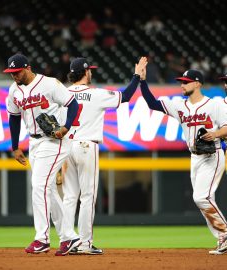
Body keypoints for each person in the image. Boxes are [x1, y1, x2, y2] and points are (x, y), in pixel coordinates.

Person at [61, 56, 148, 255]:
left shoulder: (62, 93)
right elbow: (125, 96)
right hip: (86, 145)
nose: (91, 72)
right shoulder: (95, 94)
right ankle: (84, 244)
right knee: (88, 197)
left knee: (69, 197)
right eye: (89, 70)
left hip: (66, 146)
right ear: (85, 72)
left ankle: (67, 241)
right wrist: (136, 76)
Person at [139, 66, 227, 255]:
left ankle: (225, 233)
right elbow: (152, 103)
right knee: (205, 199)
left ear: (197, 83)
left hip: (213, 155)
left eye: (186, 82)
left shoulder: (215, 105)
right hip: (195, 157)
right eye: (181, 82)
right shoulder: (179, 105)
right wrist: (142, 81)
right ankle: (222, 238)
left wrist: (215, 134)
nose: (182, 85)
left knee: (201, 197)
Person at [4, 53, 81, 256]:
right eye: (11, 73)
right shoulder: (14, 91)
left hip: (55, 139)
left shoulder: (49, 84)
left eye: (17, 71)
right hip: (33, 142)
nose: (14, 75)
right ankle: (69, 237)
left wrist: (66, 127)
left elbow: (73, 104)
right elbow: (14, 118)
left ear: (27, 68)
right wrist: (15, 146)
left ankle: (42, 239)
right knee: (48, 190)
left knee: (39, 185)